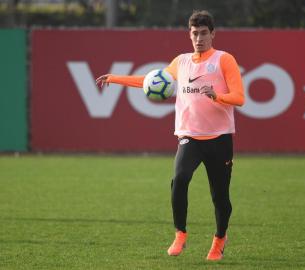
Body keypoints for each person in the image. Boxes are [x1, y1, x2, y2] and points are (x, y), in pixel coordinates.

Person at [96, 10, 244, 261]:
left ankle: (219, 239)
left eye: (204, 33)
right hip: (189, 137)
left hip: (219, 138)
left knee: (220, 196)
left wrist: (216, 96)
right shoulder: (181, 61)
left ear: (213, 34)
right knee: (179, 180)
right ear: (189, 34)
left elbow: (239, 98)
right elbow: (153, 81)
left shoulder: (224, 60)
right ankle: (180, 234)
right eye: (195, 33)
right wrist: (116, 78)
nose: (199, 38)